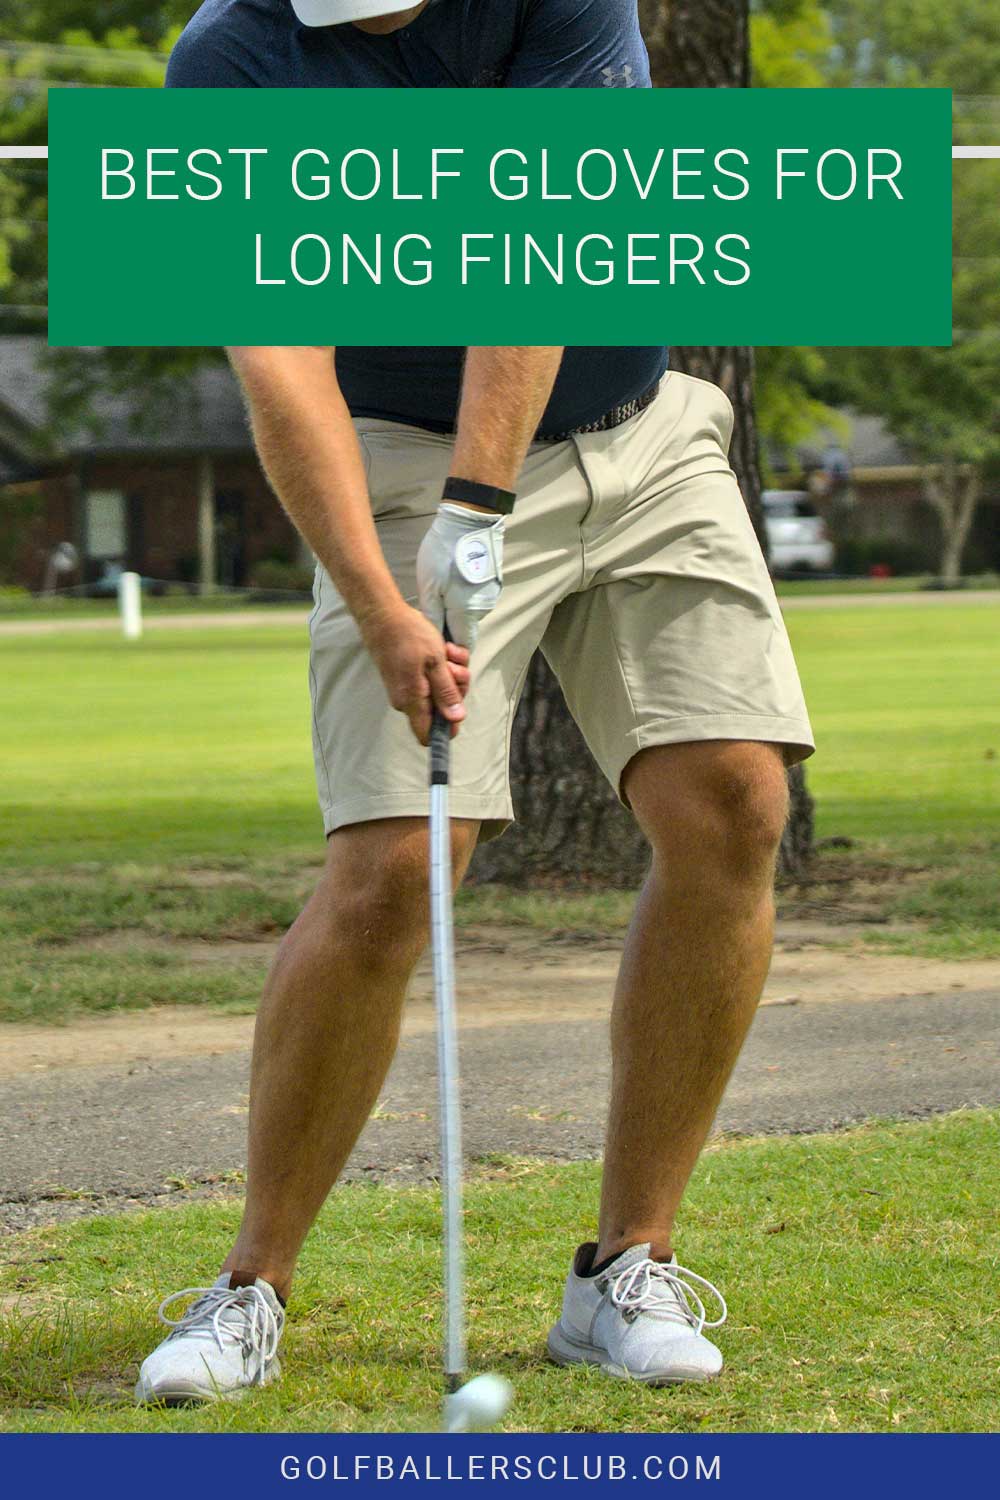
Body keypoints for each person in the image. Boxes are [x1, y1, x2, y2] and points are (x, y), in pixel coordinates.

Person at [136, 0, 814, 1404]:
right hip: (385, 450)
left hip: (636, 436)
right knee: (397, 865)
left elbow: (543, 246)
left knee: (736, 802)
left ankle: (626, 1268)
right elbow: (281, 360)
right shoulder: (236, 56)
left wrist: (482, 510)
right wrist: (388, 599)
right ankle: (248, 1288)